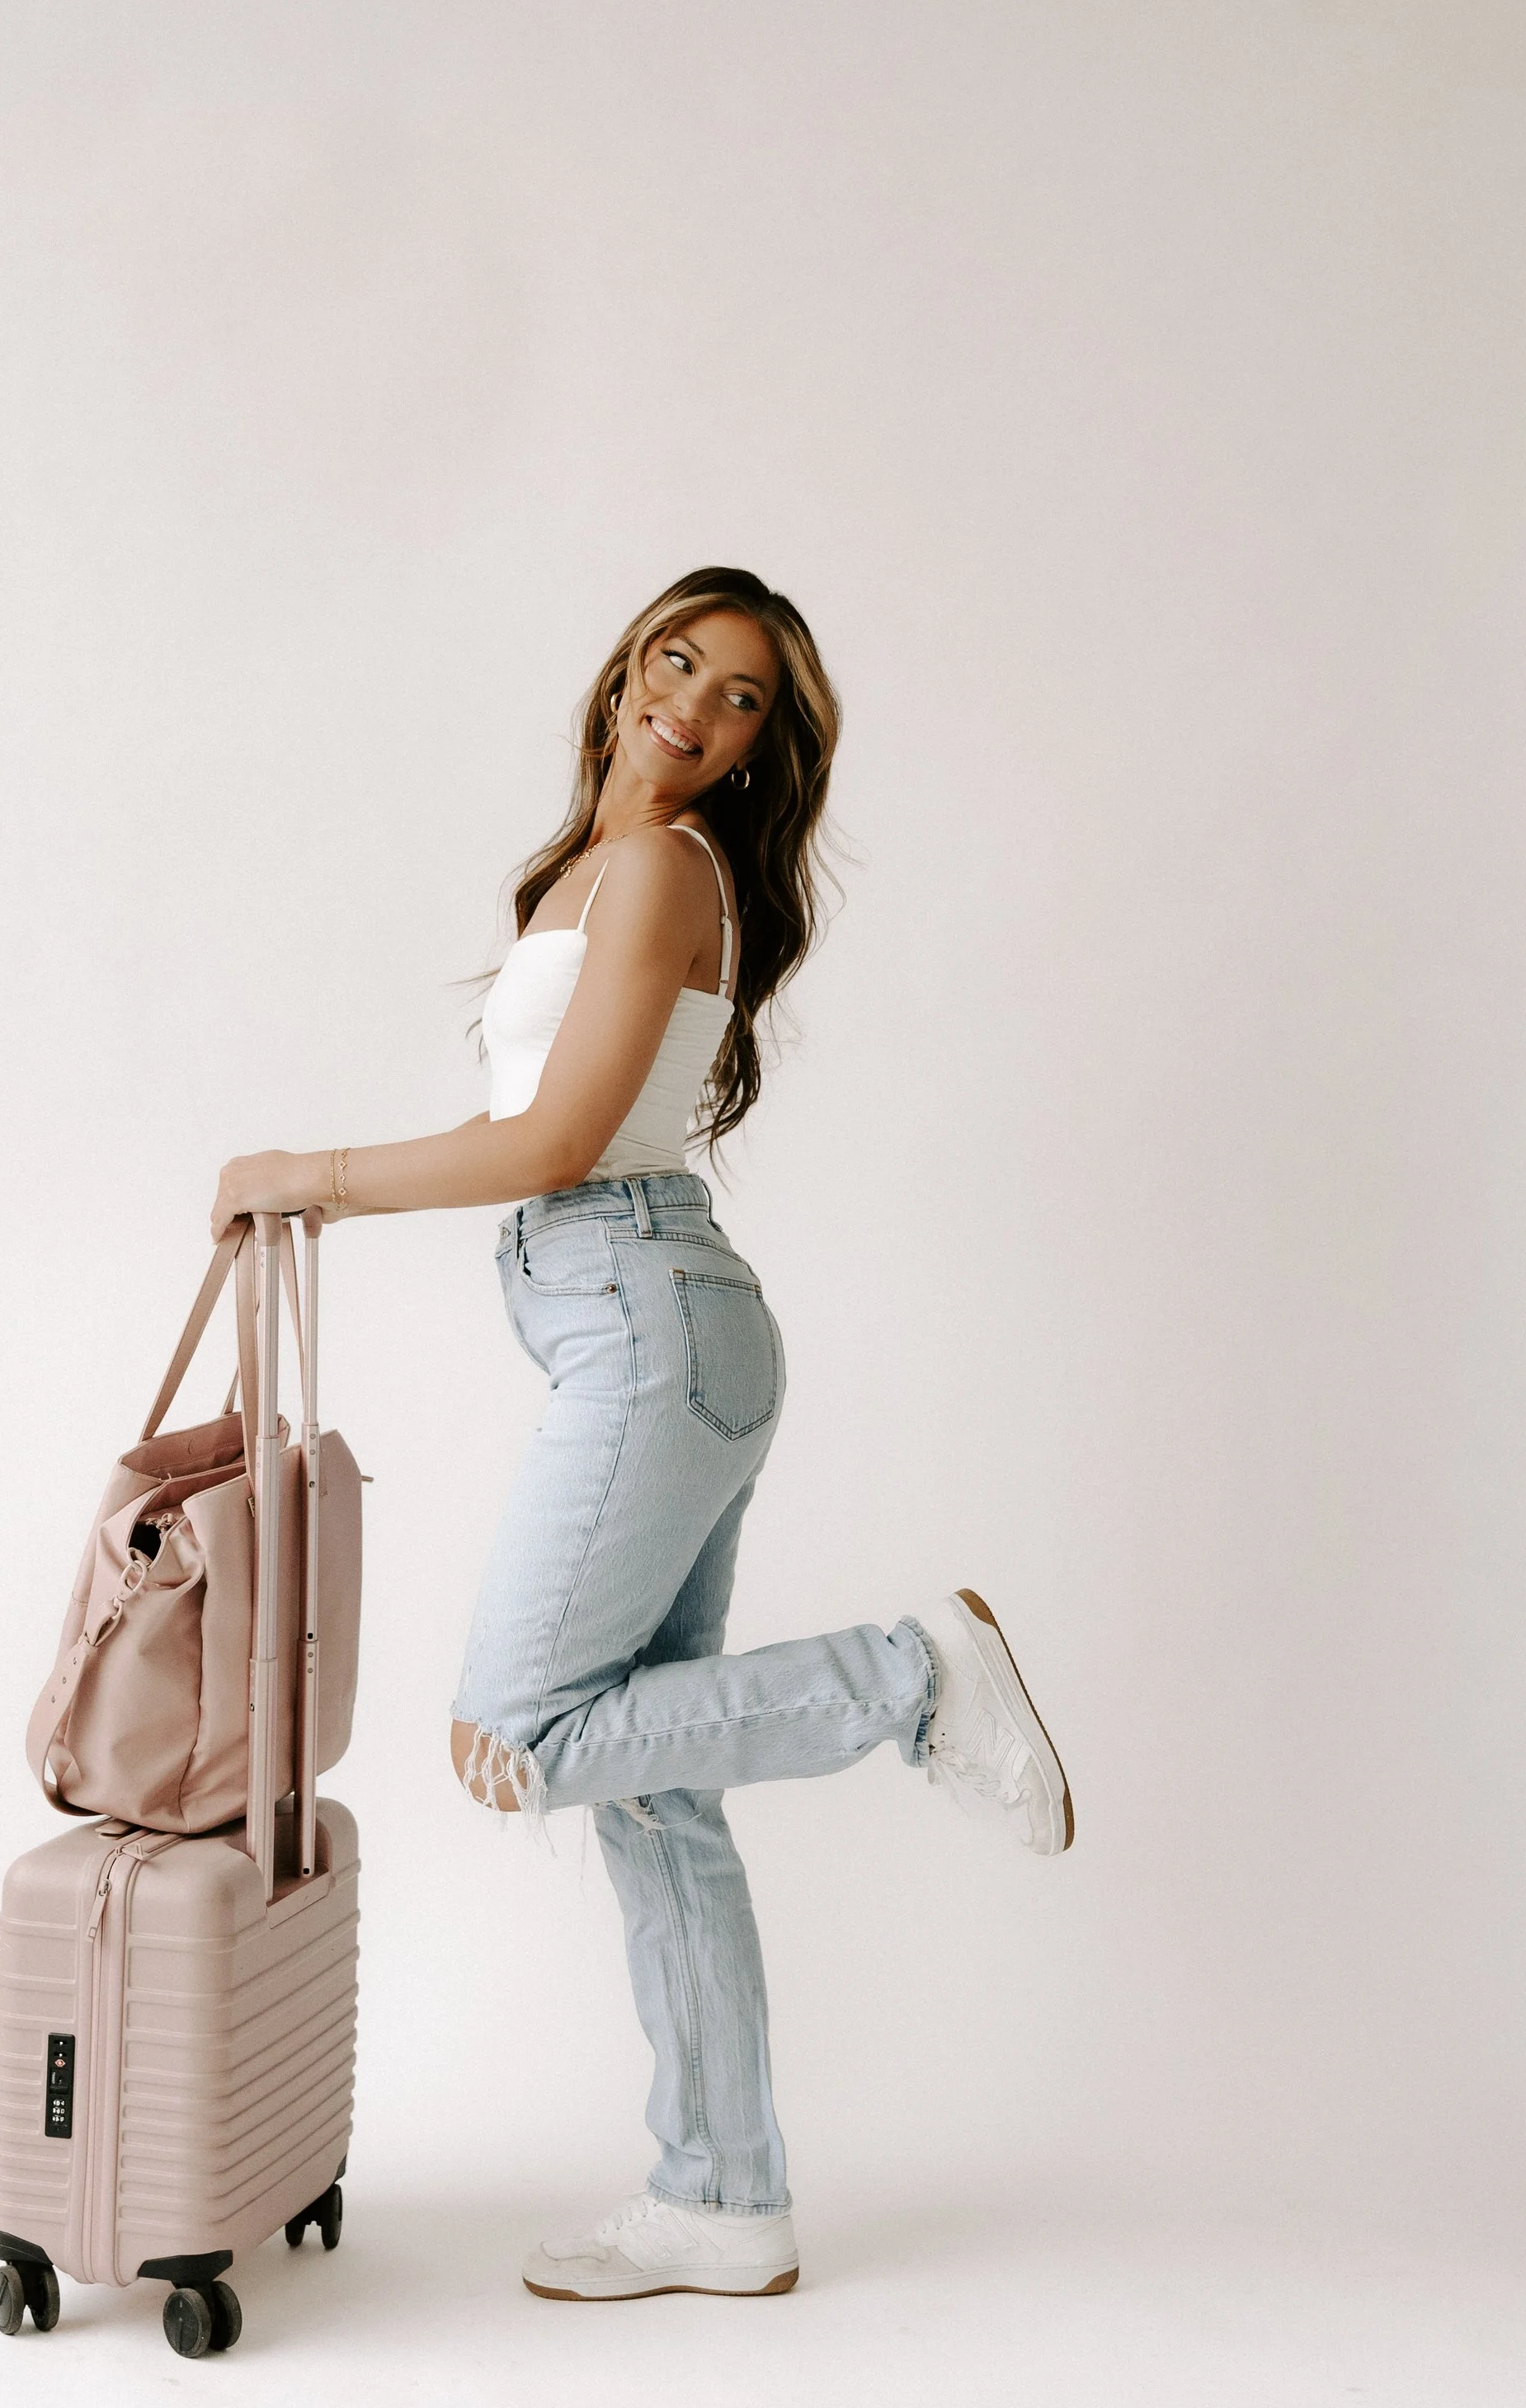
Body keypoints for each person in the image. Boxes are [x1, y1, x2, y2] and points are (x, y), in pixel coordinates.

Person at [210, 567, 1073, 2304]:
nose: (695, 703)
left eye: (741, 696)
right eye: (679, 662)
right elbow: (522, 1119)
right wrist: (326, 1203)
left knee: (522, 1731)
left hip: (644, 1323)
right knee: (656, 1790)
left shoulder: (666, 872)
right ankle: (722, 2199)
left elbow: (550, 1147)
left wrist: (311, 1175)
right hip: (652, 1326)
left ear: (762, 750)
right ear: (625, 670)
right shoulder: (584, 875)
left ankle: (908, 1678)